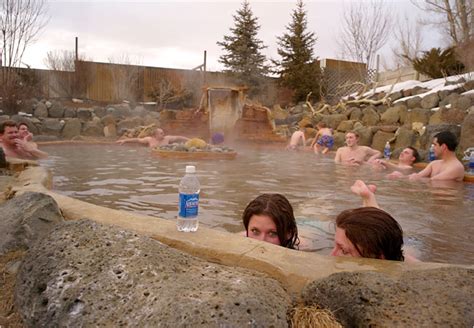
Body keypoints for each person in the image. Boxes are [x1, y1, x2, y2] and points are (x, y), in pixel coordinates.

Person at [390, 131, 465, 181]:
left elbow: (433, 181)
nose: (432, 148)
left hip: (448, 203)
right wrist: (400, 176)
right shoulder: (434, 164)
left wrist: (402, 177)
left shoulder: (456, 168)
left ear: (443, 147)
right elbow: (418, 176)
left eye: (435, 145)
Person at [116, 127, 189, 148]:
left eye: (163, 133)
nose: (163, 134)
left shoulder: (167, 138)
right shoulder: (150, 139)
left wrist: (190, 140)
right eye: (161, 133)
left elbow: (179, 137)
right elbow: (138, 140)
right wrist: (125, 140)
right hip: (153, 157)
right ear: (155, 135)